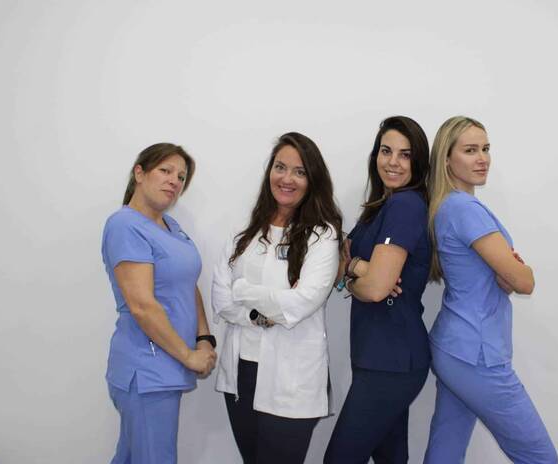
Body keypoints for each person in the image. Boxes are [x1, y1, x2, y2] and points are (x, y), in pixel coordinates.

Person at [423, 116, 558, 463]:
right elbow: (524, 281)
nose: (482, 158)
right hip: (477, 354)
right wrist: (517, 270)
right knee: (541, 457)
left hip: (455, 346)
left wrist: (507, 274)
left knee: (446, 450)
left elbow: (501, 279)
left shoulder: (448, 207)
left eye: (485, 149)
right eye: (470, 150)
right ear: (447, 159)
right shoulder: (465, 209)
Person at [212, 132, 343, 464]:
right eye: (280, 167)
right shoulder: (244, 232)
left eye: (299, 171)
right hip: (242, 373)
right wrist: (257, 314)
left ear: (312, 180)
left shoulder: (322, 235)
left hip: (292, 379)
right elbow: (222, 300)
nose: (287, 178)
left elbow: (302, 302)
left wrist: (243, 291)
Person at [324, 116, 431, 464]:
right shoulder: (380, 206)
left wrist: (356, 269)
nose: (393, 162)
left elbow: (375, 290)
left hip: (392, 361)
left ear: (418, 162)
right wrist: (359, 269)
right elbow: (341, 266)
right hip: (377, 356)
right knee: (391, 458)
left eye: (405, 154)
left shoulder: (406, 205)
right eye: (386, 151)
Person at [101, 143, 217, 464]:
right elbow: (142, 305)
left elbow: (187, 283)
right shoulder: (125, 225)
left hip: (166, 367)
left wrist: (203, 338)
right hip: (146, 371)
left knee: (131, 457)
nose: (174, 181)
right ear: (139, 173)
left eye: (181, 177)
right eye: (165, 171)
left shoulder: (171, 227)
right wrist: (188, 356)